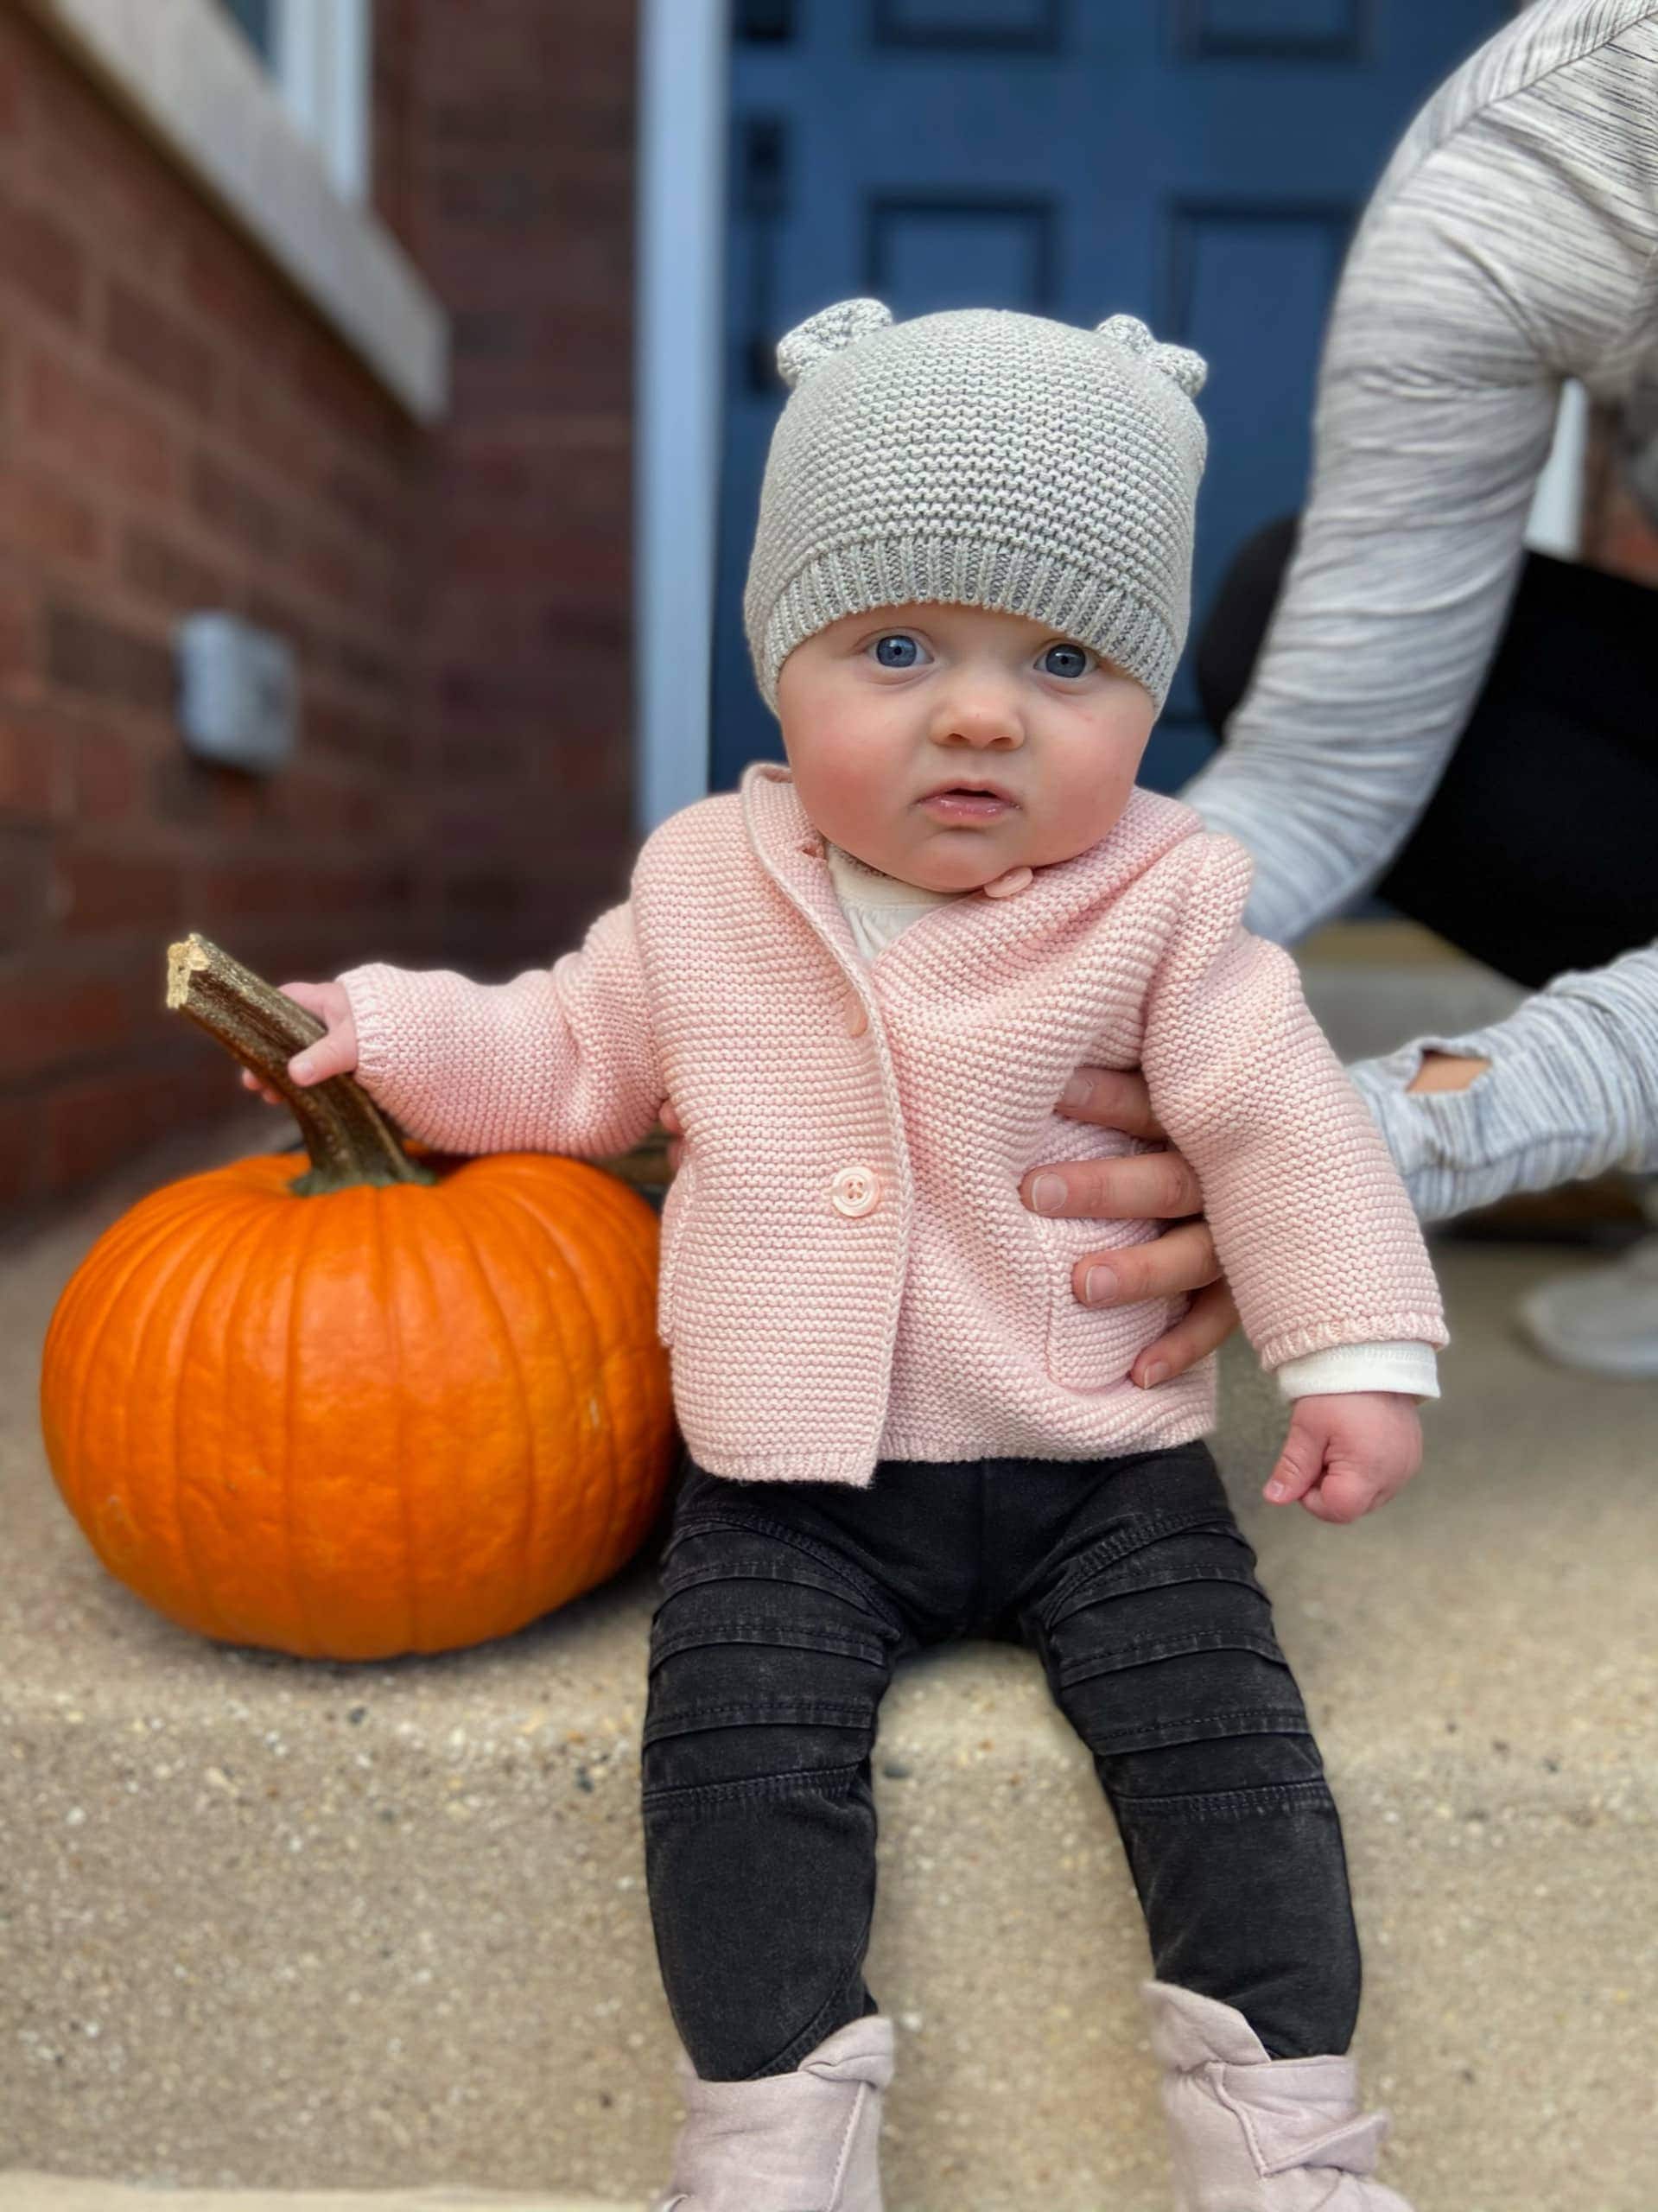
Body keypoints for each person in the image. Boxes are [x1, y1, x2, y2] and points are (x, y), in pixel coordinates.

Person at [243, 300, 1445, 2210]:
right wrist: (386, 1028)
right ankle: (774, 2135)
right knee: (733, 1764)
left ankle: (1288, 2133)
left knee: (1230, 1757)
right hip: (793, 1485)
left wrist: (1354, 1346)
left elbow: (1274, 1119)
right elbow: (568, 1050)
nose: (981, 714)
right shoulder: (705, 890)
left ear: (1148, 707)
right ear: (778, 666)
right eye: (899, 648)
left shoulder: (1165, 897)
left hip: (1098, 1466)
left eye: (1066, 658)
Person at [1020, 0, 1658, 1389]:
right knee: (1277, 599)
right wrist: (1041, 970)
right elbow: (1331, 765)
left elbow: (1375, 1134)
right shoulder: (1530, 156)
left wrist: (1352, 1142)